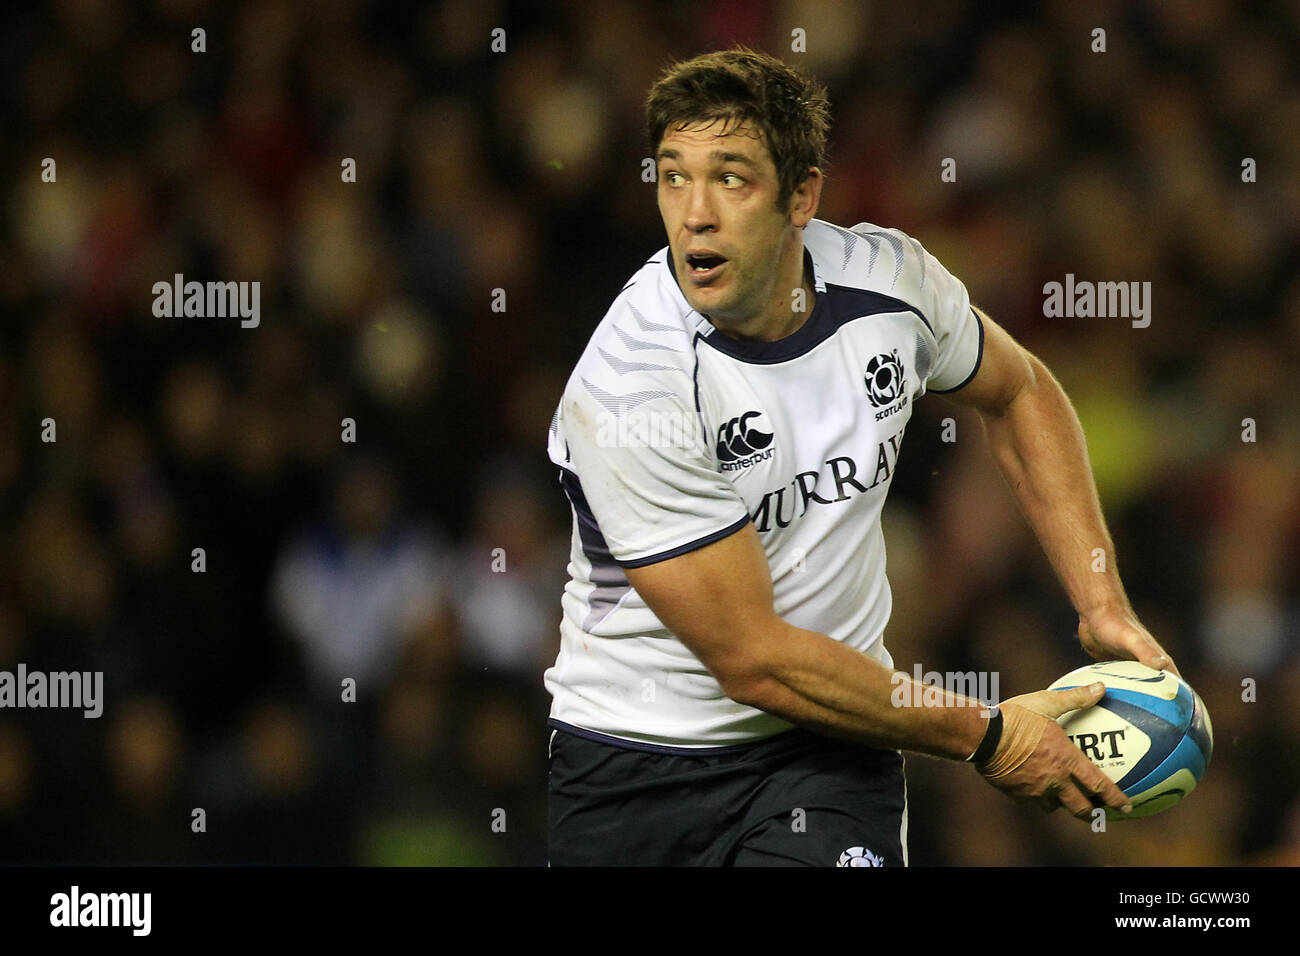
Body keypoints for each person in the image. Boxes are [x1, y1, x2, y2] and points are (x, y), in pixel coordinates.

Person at [543, 47, 1177, 866]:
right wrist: (989, 735)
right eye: (672, 176)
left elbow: (1020, 393)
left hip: (828, 757)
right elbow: (755, 662)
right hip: (635, 768)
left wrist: (1101, 602)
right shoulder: (634, 387)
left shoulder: (892, 285)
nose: (693, 213)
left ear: (802, 195)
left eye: (730, 178)